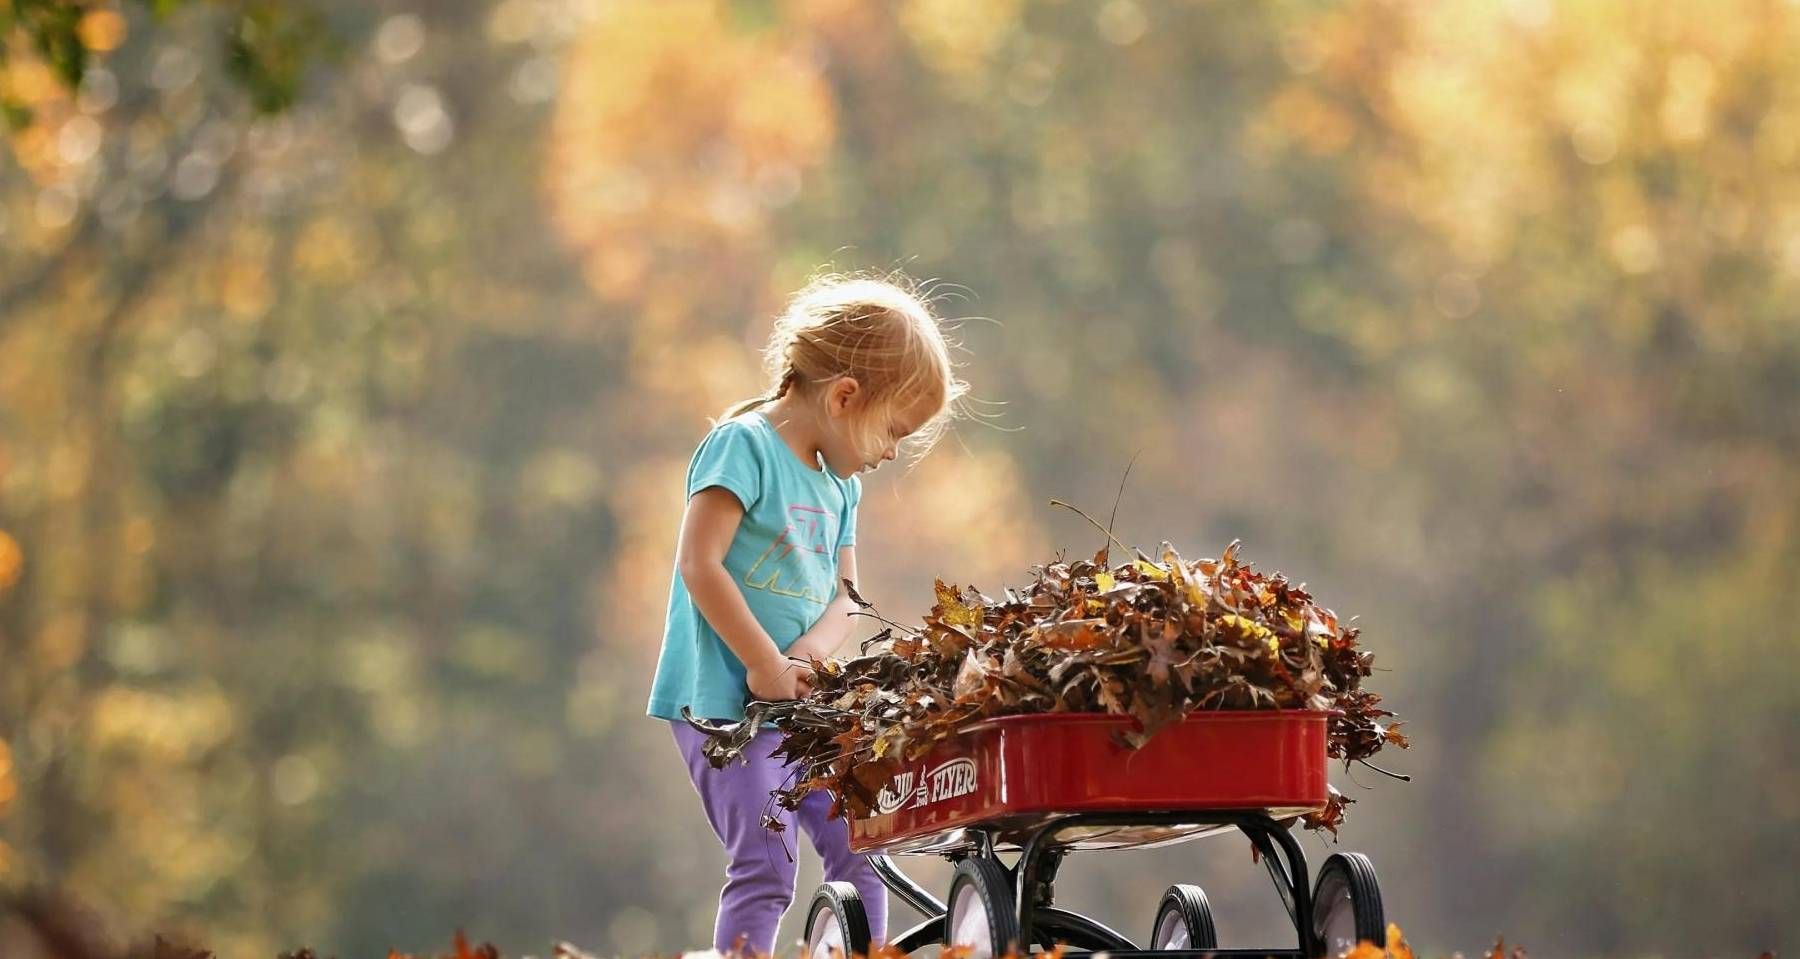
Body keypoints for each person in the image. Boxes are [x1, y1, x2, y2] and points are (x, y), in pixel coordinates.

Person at [647, 272, 967, 957]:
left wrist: (804, 663)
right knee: (767, 862)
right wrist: (763, 662)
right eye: (893, 431)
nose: (890, 453)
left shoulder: (840, 486)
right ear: (846, 396)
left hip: (796, 706)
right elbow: (699, 563)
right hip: (721, 707)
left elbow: (846, 596)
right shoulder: (744, 446)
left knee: (861, 839)